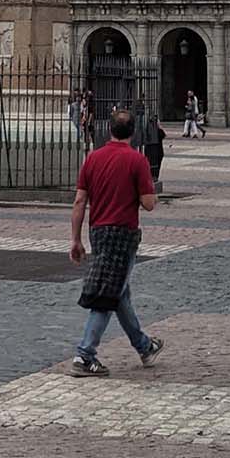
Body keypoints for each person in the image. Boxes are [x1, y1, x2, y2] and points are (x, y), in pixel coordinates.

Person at [68, 111, 164, 376]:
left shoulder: (93, 158)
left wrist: (75, 240)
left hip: (98, 232)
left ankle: (144, 346)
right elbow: (149, 204)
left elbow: (79, 202)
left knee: (119, 292)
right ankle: (85, 355)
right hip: (122, 234)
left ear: (108, 130)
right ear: (133, 132)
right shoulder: (137, 160)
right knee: (107, 294)